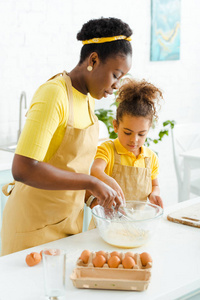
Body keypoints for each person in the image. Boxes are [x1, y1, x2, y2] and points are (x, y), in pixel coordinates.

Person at [1, 17, 132, 255]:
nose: (116, 86)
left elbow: (70, 168)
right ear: (93, 59)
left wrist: (96, 196)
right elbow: (23, 169)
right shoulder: (54, 94)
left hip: (67, 227)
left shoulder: (87, 100)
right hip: (33, 228)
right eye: (115, 74)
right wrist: (92, 182)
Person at [90, 78, 164, 209]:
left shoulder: (150, 158)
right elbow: (95, 170)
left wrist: (154, 194)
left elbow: (155, 185)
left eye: (141, 134)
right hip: (109, 222)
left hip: (137, 222)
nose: (134, 140)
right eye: (128, 132)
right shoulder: (107, 150)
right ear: (116, 125)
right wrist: (109, 180)